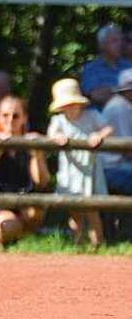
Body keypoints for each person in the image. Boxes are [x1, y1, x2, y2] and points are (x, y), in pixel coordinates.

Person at [0, 96, 50, 249]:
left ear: (24, 118)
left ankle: (8, 237)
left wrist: (37, 155)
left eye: (16, 116)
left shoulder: (30, 142)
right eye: (5, 115)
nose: (10, 120)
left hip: (22, 202)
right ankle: (3, 236)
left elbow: (42, 181)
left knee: (37, 210)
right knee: (8, 224)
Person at [47, 78, 112, 249]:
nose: (70, 107)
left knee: (92, 208)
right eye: (66, 105)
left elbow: (107, 128)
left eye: (73, 103)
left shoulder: (91, 115)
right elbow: (51, 135)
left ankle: (97, 243)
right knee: (74, 209)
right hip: (71, 170)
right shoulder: (58, 121)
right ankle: (77, 242)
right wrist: (57, 138)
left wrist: (99, 136)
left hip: (90, 167)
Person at [101, 68, 132, 238]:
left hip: (119, 165)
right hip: (112, 167)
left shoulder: (123, 105)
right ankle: (126, 232)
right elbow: (127, 149)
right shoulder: (120, 108)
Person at [80, 24, 131, 109]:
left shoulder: (128, 66)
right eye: (115, 41)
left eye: (121, 40)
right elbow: (97, 96)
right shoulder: (92, 69)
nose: (120, 44)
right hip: (102, 118)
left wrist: (110, 91)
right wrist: (124, 91)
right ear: (102, 45)